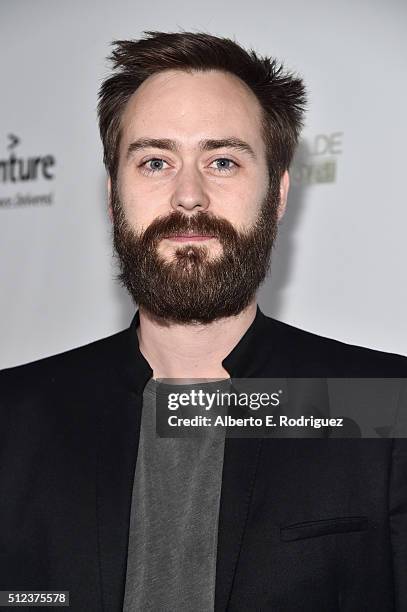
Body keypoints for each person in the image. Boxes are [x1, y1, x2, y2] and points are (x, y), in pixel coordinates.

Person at [0, 31, 406, 612]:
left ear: (278, 192)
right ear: (114, 195)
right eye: (155, 161)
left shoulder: (383, 409)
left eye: (222, 161)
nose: (188, 196)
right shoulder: (14, 418)